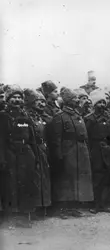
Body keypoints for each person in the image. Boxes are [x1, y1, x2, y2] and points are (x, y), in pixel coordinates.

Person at [50, 88, 94, 219]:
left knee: (77, 179)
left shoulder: (78, 115)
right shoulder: (60, 116)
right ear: (68, 101)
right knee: (66, 179)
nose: (77, 100)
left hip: (81, 150)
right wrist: (59, 155)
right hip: (68, 151)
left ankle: (73, 207)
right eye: (75, 98)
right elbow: (56, 139)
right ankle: (63, 208)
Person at [0, 85, 38, 227]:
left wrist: (35, 157)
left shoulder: (25, 116)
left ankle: (24, 215)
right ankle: (11, 216)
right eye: (13, 98)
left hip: (26, 153)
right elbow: (1, 139)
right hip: (10, 153)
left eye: (19, 97)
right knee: (11, 184)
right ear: (8, 100)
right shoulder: (3, 116)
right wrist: (2, 158)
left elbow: (32, 138)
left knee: (26, 183)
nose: (16, 100)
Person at [84, 90, 110, 214]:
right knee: (97, 178)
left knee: (108, 177)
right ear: (94, 104)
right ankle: (96, 204)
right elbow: (87, 137)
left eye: (103, 102)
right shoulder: (89, 119)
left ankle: (107, 203)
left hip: (107, 149)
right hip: (95, 150)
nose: (102, 105)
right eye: (99, 102)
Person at [23, 89, 52, 216]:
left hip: (43, 149)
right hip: (33, 149)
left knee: (44, 177)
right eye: (38, 101)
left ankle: (44, 206)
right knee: (35, 177)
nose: (41, 104)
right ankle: (35, 207)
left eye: (42, 101)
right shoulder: (26, 116)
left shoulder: (42, 116)